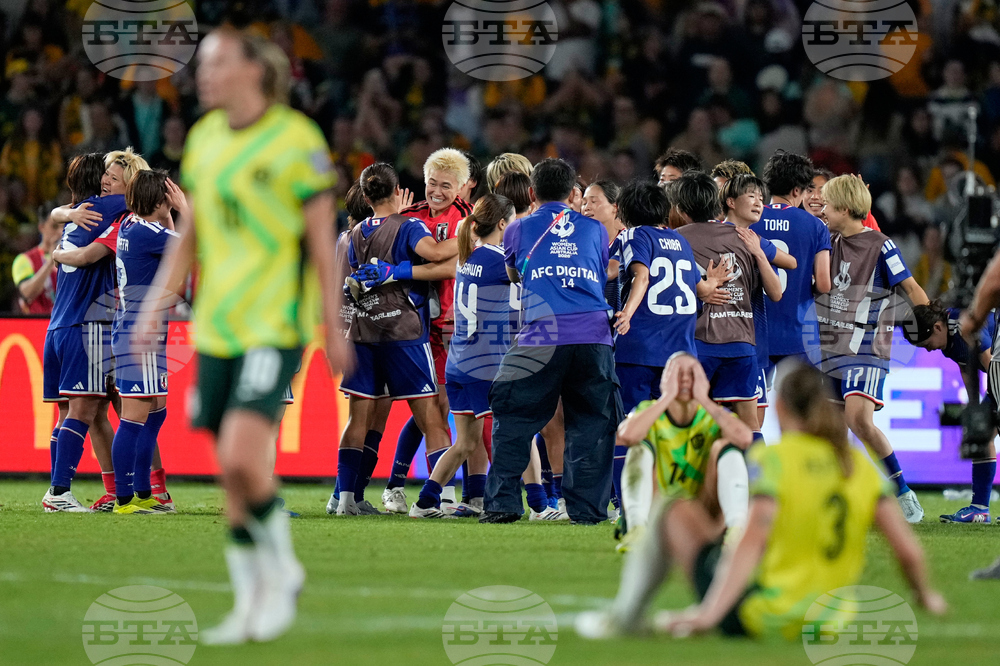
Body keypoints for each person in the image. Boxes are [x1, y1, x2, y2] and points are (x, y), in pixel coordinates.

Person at [140, 28, 351, 644]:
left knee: (239, 455)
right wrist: (156, 304)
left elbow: (321, 242)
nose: (201, 74)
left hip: (274, 323)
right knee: (232, 472)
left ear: (255, 71)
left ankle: (283, 568)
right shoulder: (204, 140)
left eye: (216, 63)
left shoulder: (295, 140)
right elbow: (192, 234)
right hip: (216, 327)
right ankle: (249, 606)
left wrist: (332, 323)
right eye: (201, 64)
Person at [577, 361, 946, 640]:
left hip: (765, 615)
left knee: (672, 509)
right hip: (829, 624)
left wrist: (708, 615)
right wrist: (927, 595)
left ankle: (625, 619)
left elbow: (751, 541)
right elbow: (908, 551)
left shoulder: (774, 460)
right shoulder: (858, 467)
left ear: (780, 408)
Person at [483, 158, 621, 524]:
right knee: (592, 422)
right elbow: (598, 270)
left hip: (540, 334)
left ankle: (502, 505)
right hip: (593, 335)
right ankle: (588, 511)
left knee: (512, 416)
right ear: (573, 194)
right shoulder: (594, 230)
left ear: (531, 193)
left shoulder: (517, 229)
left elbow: (514, 273)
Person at [609, 181, 730, 529]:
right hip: (679, 353)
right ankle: (671, 500)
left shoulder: (634, 236)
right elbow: (701, 289)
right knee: (671, 432)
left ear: (626, 213)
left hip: (639, 347)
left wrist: (628, 313)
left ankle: (627, 506)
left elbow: (642, 276)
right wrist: (715, 281)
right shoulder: (679, 241)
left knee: (630, 429)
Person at [339, 163, 455, 516]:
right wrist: (468, 236)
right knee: (430, 416)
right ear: (397, 190)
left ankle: (345, 500)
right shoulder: (410, 226)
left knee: (358, 419)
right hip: (403, 332)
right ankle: (440, 498)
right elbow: (435, 254)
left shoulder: (355, 232)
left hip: (362, 332)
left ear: (365, 195)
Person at [409, 194, 532, 517]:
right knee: (514, 434)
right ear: (503, 223)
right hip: (488, 363)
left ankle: (424, 502)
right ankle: (539, 503)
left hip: (459, 364)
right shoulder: (500, 261)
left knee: (464, 443)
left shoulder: (467, 257)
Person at [816, 175, 929, 523]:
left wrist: (928, 324)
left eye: (828, 206)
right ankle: (842, 498)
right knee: (832, 429)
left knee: (859, 420)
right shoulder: (826, 241)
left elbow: (910, 287)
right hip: (830, 346)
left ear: (846, 210)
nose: (823, 211)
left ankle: (903, 491)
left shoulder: (881, 245)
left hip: (867, 345)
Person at [50, 147, 157, 511]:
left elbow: (62, 225)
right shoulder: (116, 215)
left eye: (114, 175)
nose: (106, 180)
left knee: (91, 411)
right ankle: (136, 490)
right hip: (94, 324)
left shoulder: (78, 216)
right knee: (113, 410)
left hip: (67, 324)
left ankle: (128, 490)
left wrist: (59, 240)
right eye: (105, 175)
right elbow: (85, 257)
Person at [381, 148, 468, 514]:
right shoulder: (411, 215)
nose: (436, 191)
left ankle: (431, 489)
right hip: (413, 322)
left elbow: (454, 262)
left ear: (461, 188)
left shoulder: (466, 216)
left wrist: (416, 261)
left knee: (438, 406)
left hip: (450, 323)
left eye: (446, 186)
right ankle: (399, 487)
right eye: (432, 182)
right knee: (424, 408)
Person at [675, 172, 783, 436]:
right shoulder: (745, 237)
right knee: (749, 425)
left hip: (701, 342)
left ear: (680, 206)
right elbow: (778, 290)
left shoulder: (677, 239)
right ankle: (756, 477)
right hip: (742, 343)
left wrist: (703, 290)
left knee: (688, 419)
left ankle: (695, 477)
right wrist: (759, 253)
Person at [107, 170, 183, 514]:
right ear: (158, 200)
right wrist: (184, 209)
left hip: (140, 332)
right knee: (134, 416)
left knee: (155, 411)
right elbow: (195, 245)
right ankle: (124, 499)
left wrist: (167, 211)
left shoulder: (130, 226)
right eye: (166, 194)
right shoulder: (149, 233)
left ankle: (142, 492)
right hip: (141, 337)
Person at [753, 151, 832, 414]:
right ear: (797, 189)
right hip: (799, 333)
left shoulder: (750, 220)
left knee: (755, 410)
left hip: (756, 332)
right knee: (803, 410)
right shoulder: (815, 226)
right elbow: (823, 284)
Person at [719, 173, 797, 439]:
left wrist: (760, 253)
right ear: (730, 201)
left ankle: (751, 480)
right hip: (716, 344)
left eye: (761, 198)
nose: (758, 203)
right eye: (751, 196)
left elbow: (777, 291)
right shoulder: (712, 235)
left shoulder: (754, 240)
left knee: (752, 426)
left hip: (752, 347)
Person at [905, 301, 996, 523]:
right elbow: (967, 366)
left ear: (938, 327)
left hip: (998, 369)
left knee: (989, 426)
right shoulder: (948, 341)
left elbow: (992, 364)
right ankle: (980, 509)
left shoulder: (963, 324)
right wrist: (976, 410)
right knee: (981, 431)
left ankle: (980, 508)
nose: (929, 349)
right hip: (997, 373)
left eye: (927, 344)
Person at [12, 207, 59, 314]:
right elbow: (27, 293)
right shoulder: (25, 260)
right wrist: (50, 262)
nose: (60, 232)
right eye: (54, 226)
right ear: (41, 227)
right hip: (38, 325)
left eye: (64, 227)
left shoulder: (74, 257)